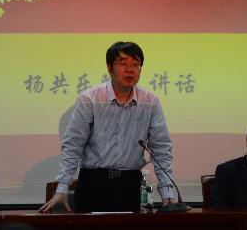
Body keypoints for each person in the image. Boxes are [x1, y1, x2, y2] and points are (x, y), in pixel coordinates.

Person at [38, 41, 177, 213]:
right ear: (109, 67)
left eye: (136, 64)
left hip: (131, 184)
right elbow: (73, 146)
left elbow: (161, 148)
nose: (130, 70)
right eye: (123, 64)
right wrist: (62, 188)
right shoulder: (90, 99)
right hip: (94, 184)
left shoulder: (150, 102)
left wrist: (167, 193)